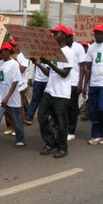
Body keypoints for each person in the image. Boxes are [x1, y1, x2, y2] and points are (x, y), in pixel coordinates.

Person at [37, 25, 74, 158]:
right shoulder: (53, 51)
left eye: (56, 34)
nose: (53, 36)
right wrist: (38, 64)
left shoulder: (68, 52)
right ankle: (51, 142)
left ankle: (63, 147)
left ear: (63, 35)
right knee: (41, 117)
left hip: (61, 93)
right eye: (53, 34)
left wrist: (50, 63)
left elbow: (65, 73)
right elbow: (49, 72)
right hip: (50, 90)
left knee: (61, 121)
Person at [0, 42, 25, 147]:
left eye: (4, 50)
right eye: (0, 51)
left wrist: (7, 98)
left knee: (16, 119)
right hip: (0, 97)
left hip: (12, 97)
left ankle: (20, 138)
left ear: (9, 51)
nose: (2, 52)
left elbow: (15, 81)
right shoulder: (0, 63)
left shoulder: (14, 64)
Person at [66, 27, 86, 141]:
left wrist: (80, 83)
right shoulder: (61, 47)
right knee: (64, 107)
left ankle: (71, 130)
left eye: (70, 36)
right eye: (67, 36)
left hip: (74, 81)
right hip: (64, 83)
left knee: (72, 107)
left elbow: (82, 66)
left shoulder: (78, 48)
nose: (68, 38)